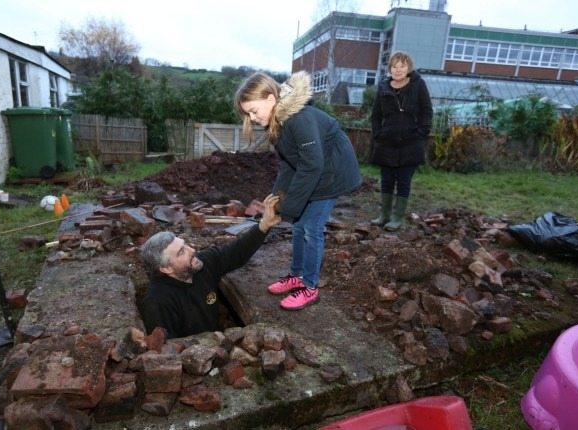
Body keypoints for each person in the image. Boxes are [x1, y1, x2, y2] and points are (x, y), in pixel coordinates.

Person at [235, 71, 362, 311]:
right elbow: (288, 164)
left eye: (253, 110)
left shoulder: (298, 119)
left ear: (271, 99)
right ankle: (296, 276)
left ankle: (310, 287)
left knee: (311, 228)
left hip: (332, 174)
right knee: (299, 226)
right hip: (316, 170)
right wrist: (275, 199)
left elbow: (312, 166)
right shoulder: (278, 122)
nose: (252, 118)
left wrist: (289, 207)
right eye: (248, 114)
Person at [140, 194, 281, 339]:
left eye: (185, 244)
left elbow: (237, 252)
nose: (192, 250)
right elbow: (168, 350)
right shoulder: (157, 303)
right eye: (181, 252)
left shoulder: (202, 264)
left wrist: (264, 224)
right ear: (166, 268)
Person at [370, 51, 433, 231]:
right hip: (387, 143)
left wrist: (421, 133)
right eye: (394, 66)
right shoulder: (383, 87)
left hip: (411, 143)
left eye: (402, 66)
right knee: (387, 181)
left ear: (409, 68)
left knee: (404, 181)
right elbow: (376, 115)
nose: (398, 70)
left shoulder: (418, 85)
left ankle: (397, 217)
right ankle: (384, 215)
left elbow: (427, 112)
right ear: (390, 69)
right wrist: (378, 134)